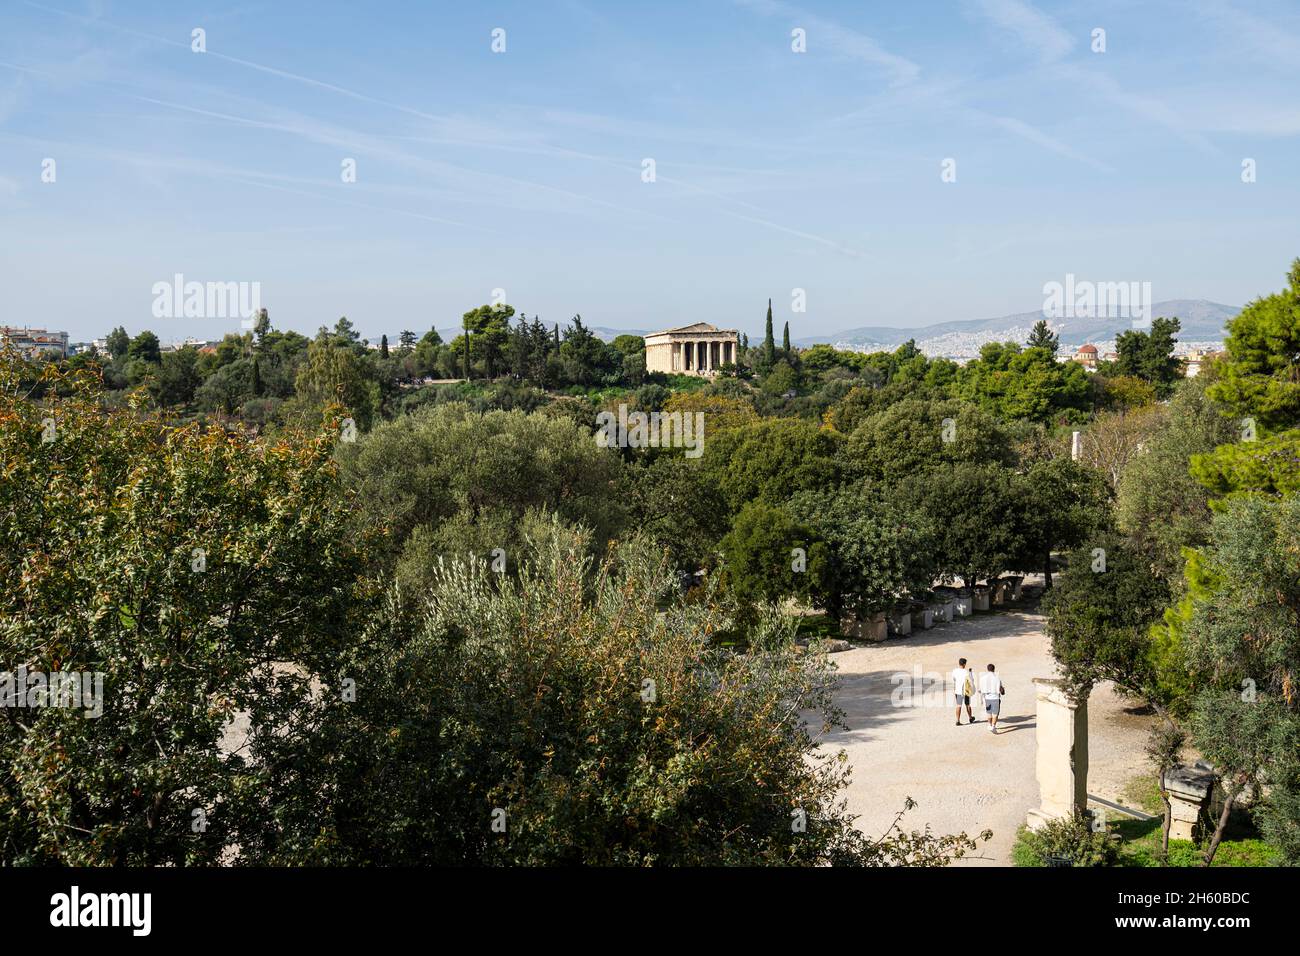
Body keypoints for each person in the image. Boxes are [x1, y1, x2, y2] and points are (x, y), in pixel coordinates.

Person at [979, 663, 1005, 733]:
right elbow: (1001, 690)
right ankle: (993, 726)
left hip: (987, 698)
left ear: (987, 669)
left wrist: (981, 699)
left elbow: (980, 690)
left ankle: (990, 725)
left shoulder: (983, 678)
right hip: (995, 697)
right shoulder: (997, 678)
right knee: (995, 713)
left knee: (989, 713)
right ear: (994, 669)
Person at [950, 657, 976, 725]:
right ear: (964, 664)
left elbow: (954, 679)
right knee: (967, 705)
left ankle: (957, 720)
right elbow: (971, 680)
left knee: (959, 705)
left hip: (958, 691)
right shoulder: (966, 672)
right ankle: (970, 718)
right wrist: (970, 673)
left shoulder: (955, 671)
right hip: (965, 691)